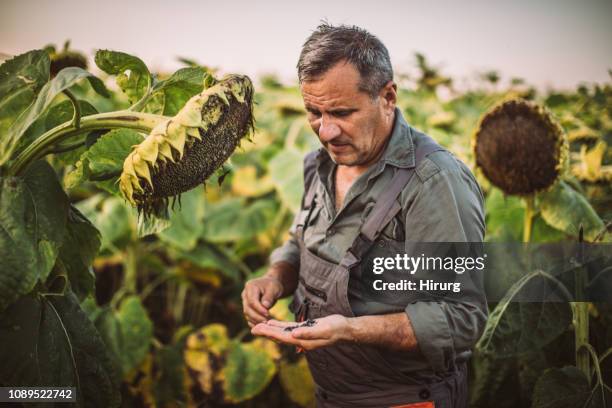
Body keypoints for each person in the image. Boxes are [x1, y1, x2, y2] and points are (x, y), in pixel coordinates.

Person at [243, 23, 487, 408]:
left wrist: (351, 330)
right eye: (313, 112)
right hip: (333, 394)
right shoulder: (318, 165)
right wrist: (274, 278)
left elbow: (462, 318)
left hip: (405, 399)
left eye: (341, 112)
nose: (325, 131)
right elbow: (301, 241)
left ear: (387, 96)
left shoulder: (434, 183)